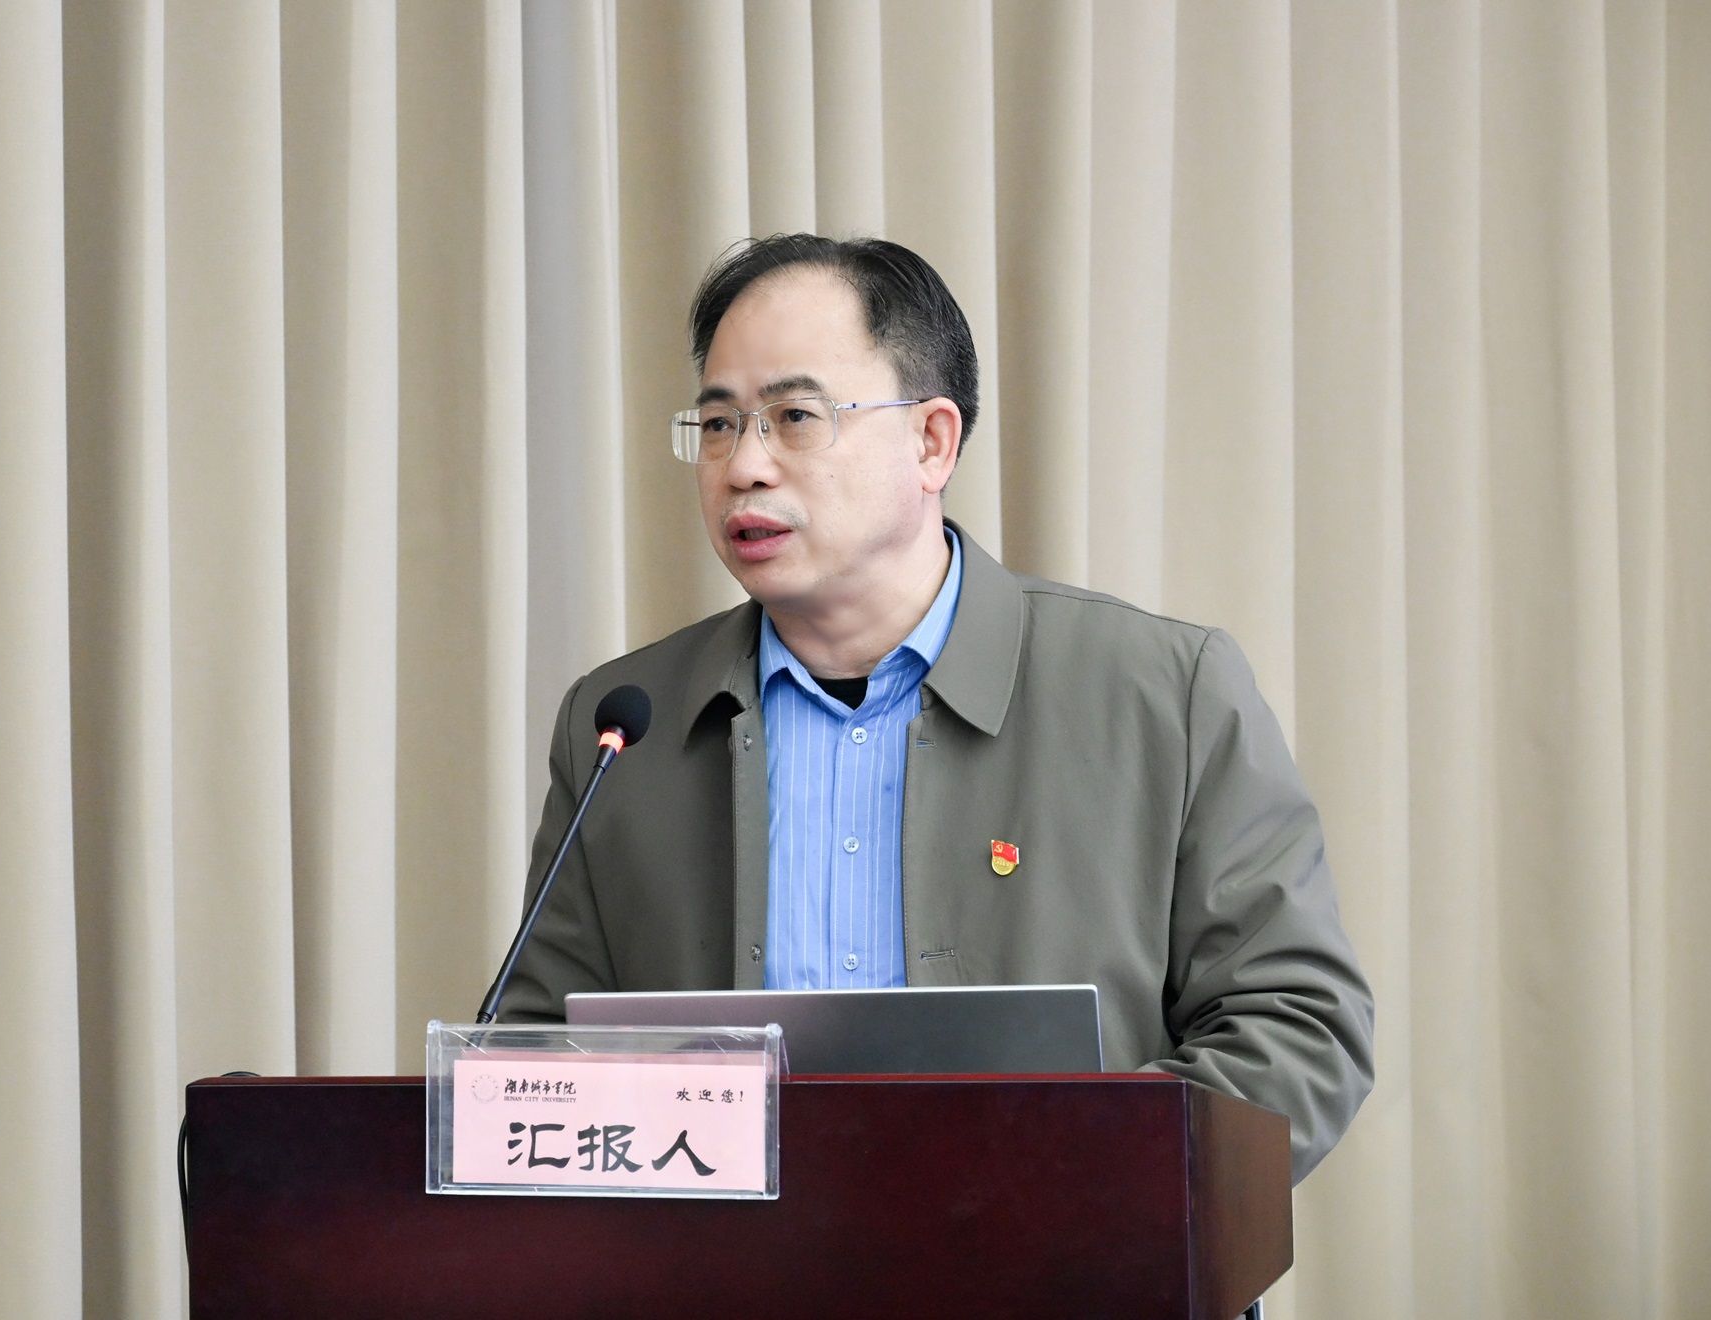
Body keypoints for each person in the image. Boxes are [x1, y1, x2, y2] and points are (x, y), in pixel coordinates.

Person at [499, 234, 1374, 1181]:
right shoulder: (624, 727)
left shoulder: (1164, 694)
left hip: (1058, 1254)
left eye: (795, 417)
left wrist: (1068, 1184)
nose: (744, 464)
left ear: (932, 442)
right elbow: (535, 1053)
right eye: (718, 425)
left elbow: (1297, 1029)